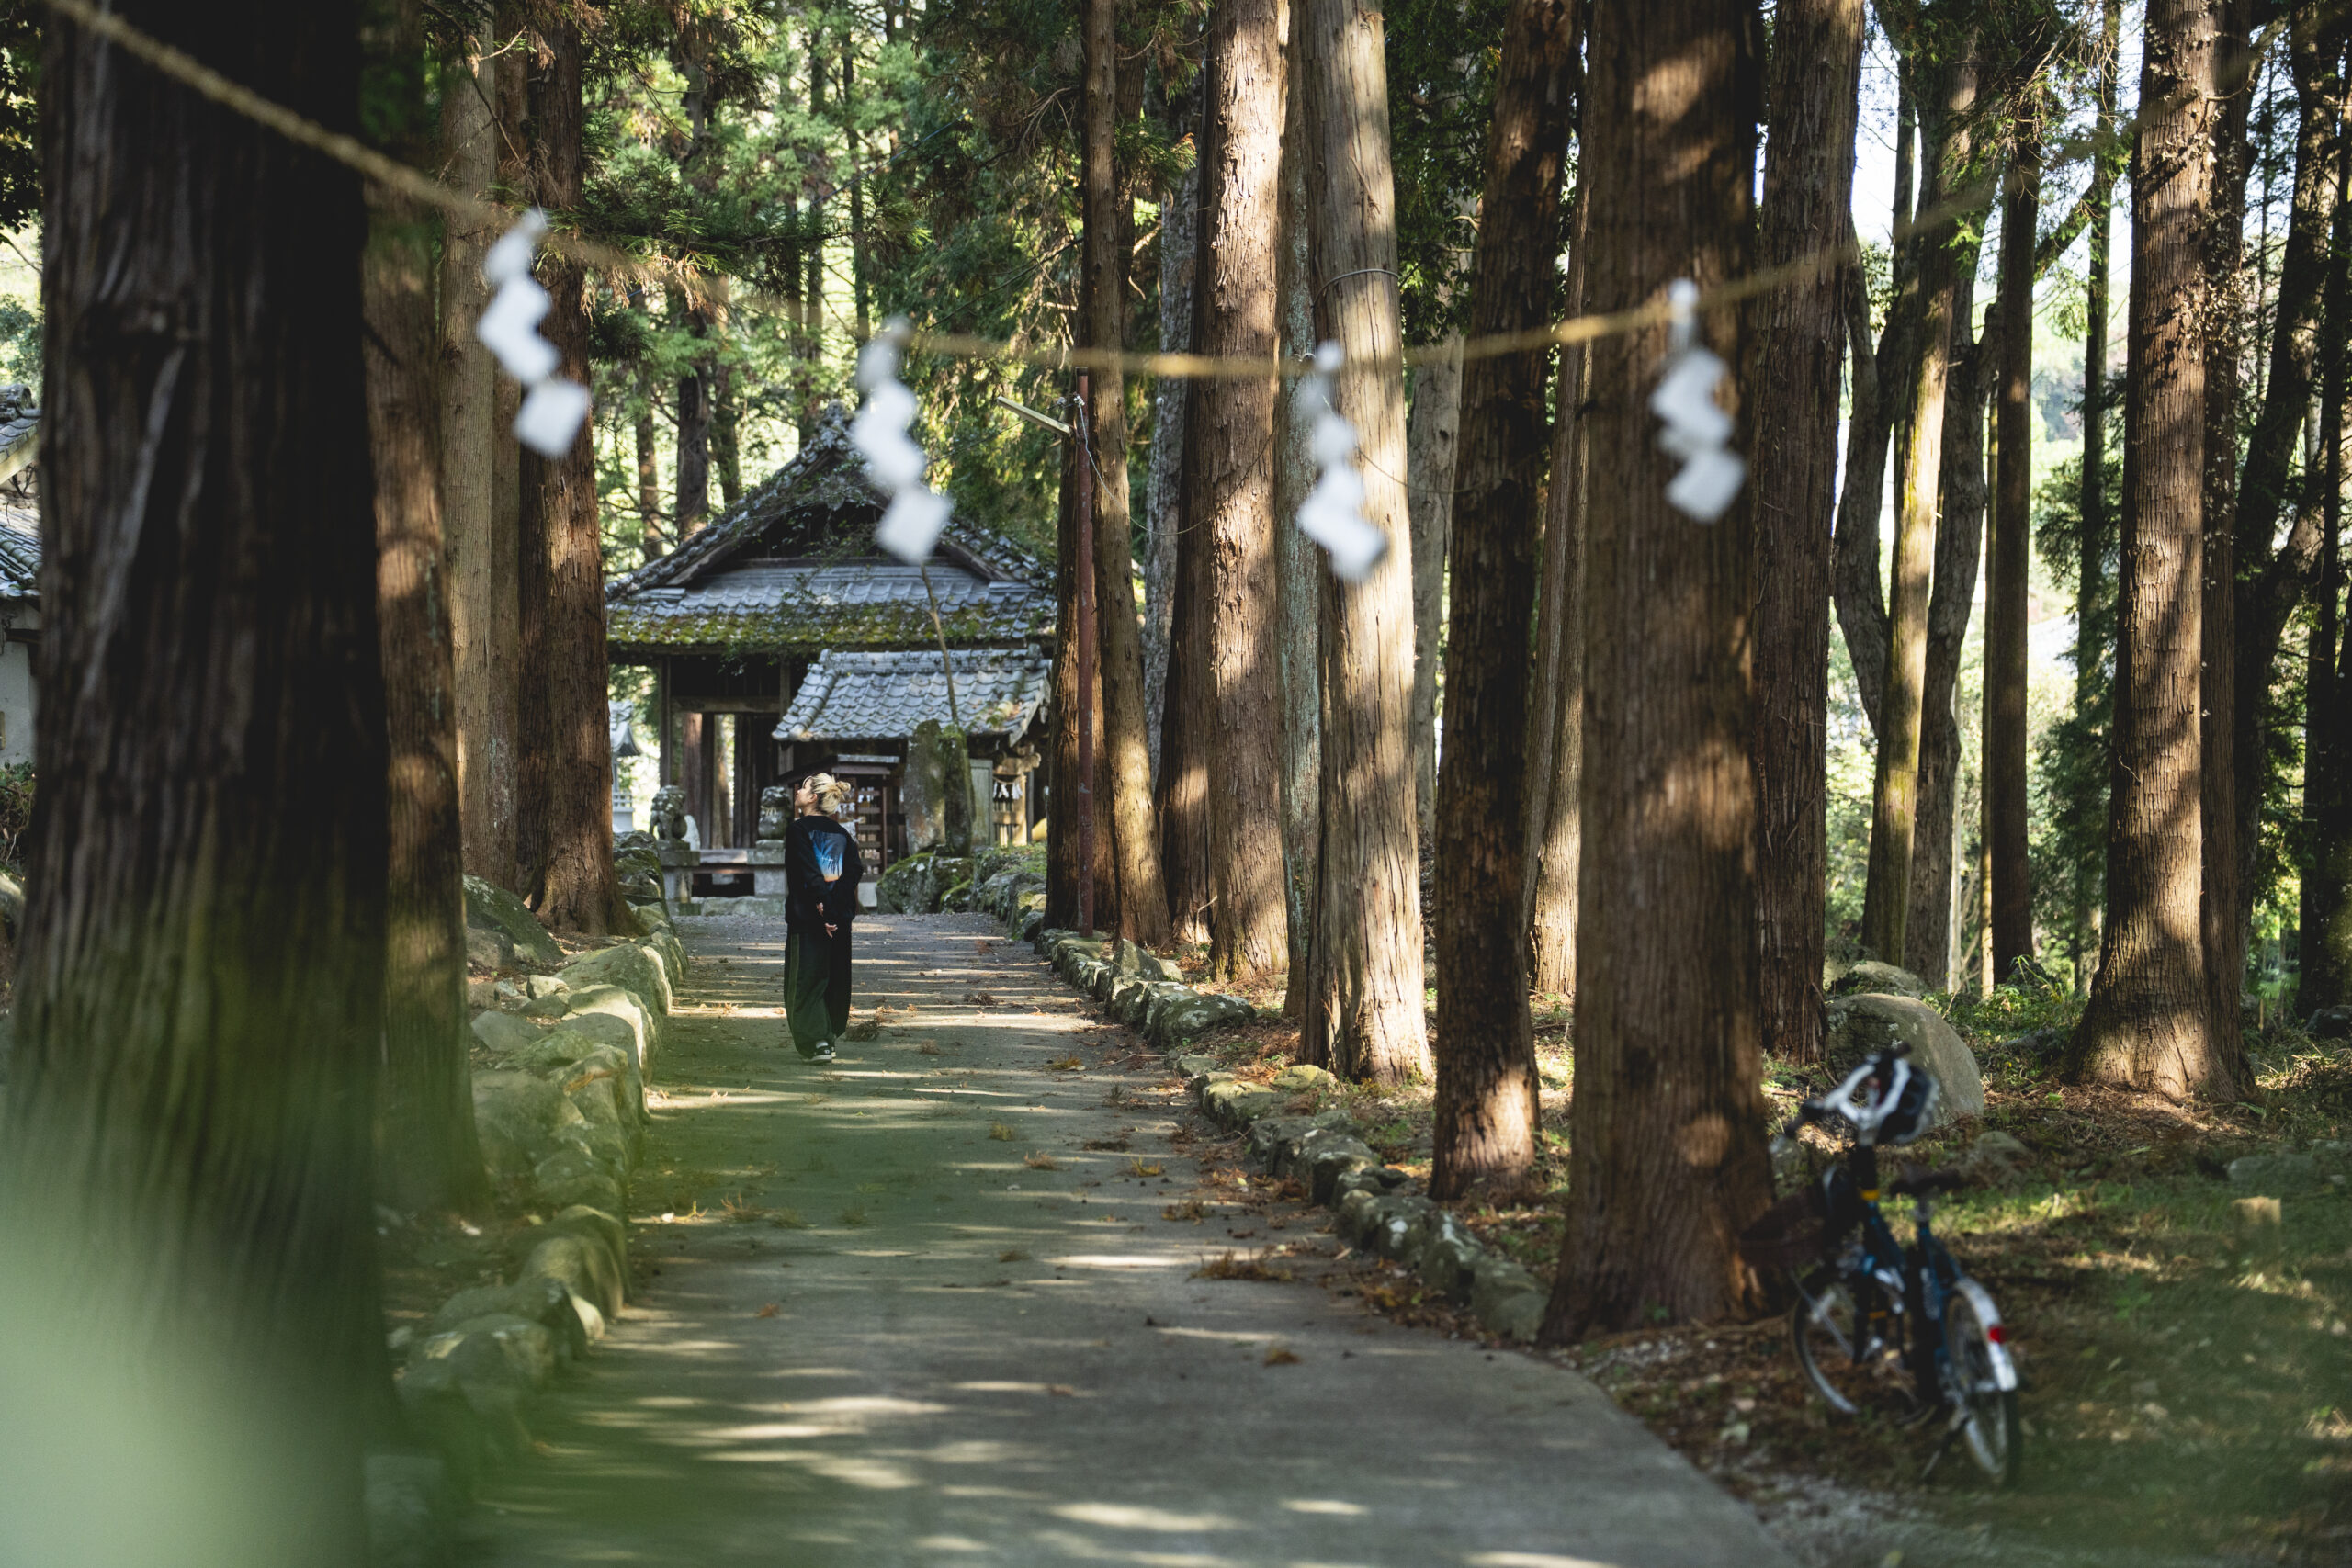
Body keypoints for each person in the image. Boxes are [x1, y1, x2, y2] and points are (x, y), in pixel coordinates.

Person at [782, 773, 863, 1062]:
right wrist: (836, 907)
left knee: (806, 979)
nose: (797, 791)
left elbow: (807, 872)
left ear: (813, 797)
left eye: (802, 787)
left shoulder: (798, 831)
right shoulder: (842, 834)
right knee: (835, 979)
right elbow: (854, 871)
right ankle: (828, 1037)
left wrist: (822, 907)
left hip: (810, 919)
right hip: (838, 918)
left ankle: (817, 1041)